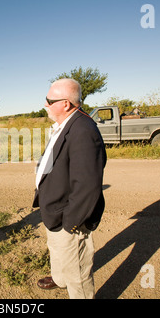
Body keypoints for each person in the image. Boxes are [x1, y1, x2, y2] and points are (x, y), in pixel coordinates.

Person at [33, 78, 107, 299]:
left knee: (78, 272)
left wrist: (71, 223)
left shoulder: (84, 130)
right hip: (55, 209)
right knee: (56, 249)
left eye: (49, 100)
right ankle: (59, 279)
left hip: (69, 216)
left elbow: (87, 186)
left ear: (65, 104)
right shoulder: (66, 123)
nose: (45, 104)